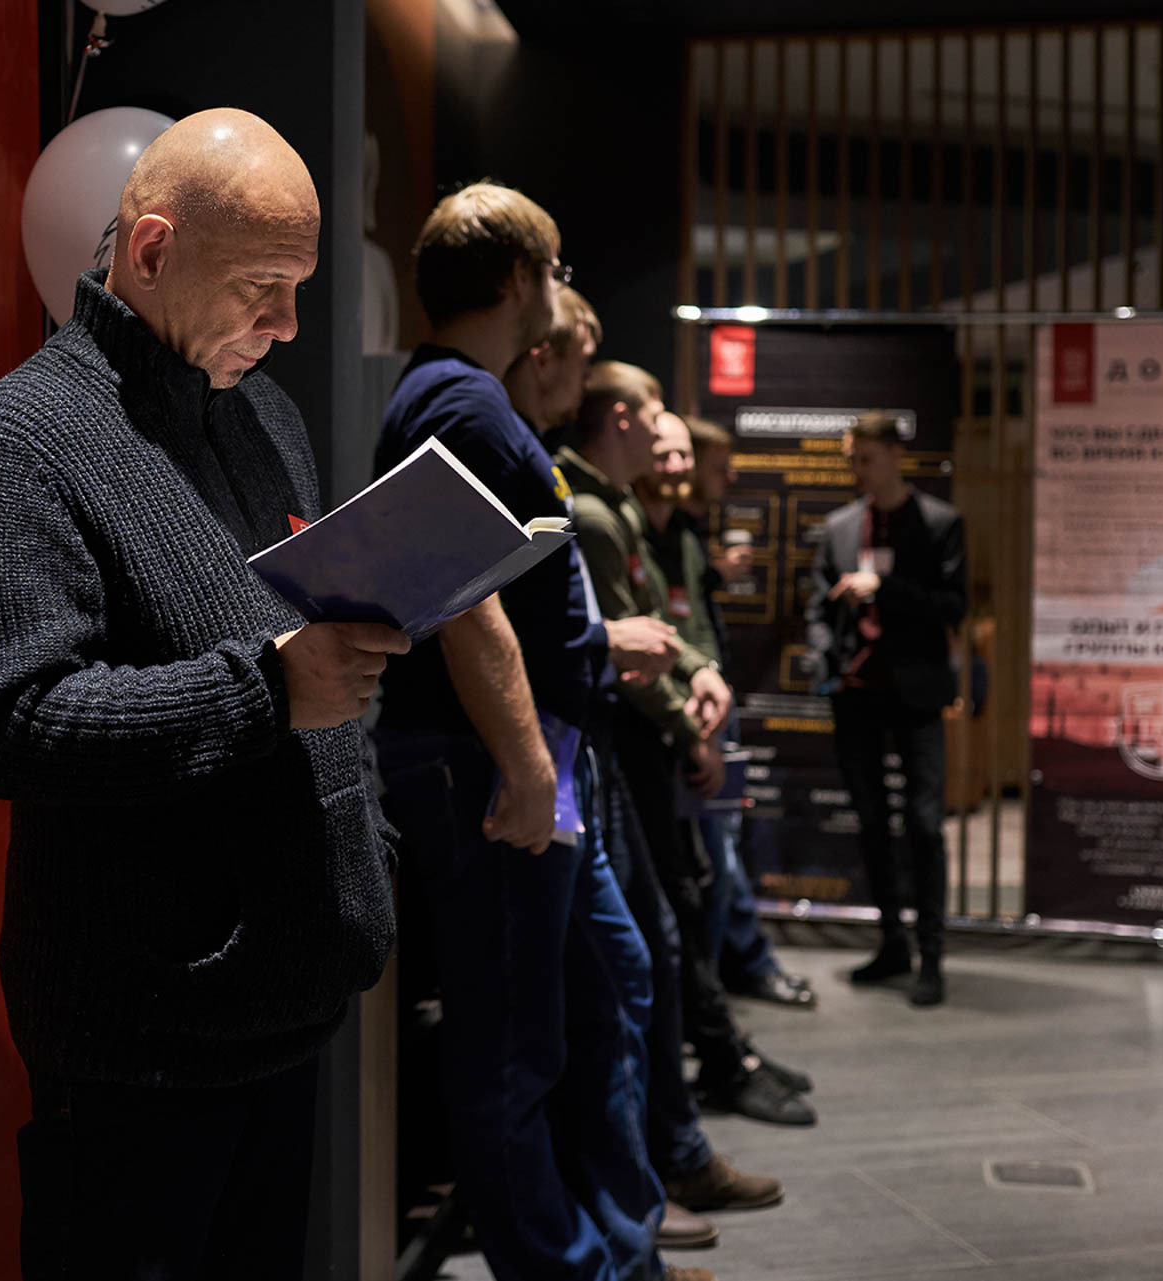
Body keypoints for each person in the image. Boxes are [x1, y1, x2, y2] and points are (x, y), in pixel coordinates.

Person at [0, 109, 411, 1280]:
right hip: (138, 1048)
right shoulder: (22, 439)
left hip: (284, 1009)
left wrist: (364, 839)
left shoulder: (263, 415)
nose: (286, 327)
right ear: (150, 252)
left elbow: (309, 659)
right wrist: (270, 691)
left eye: (297, 290)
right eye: (261, 289)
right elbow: (12, 724)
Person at [372, 182, 710, 1281]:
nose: (563, 292)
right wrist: (525, 765)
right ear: (521, 279)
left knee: (581, 1007)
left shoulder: (464, 400)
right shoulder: (462, 407)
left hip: (520, 756)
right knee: (513, 1050)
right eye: (556, 271)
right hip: (494, 762)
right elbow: (457, 600)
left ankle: (614, 1254)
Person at [504, 294, 787, 1250]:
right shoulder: (579, 498)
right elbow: (565, 634)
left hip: (592, 749)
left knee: (650, 949)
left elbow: (655, 624)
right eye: (658, 414)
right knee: (629, 963)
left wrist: (687, 668)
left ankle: (652, 1173)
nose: (674, 439)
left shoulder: (606, 503)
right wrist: (676, 703)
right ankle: (644, 1181)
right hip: (589, 750)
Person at [559, 364, 817, 1129]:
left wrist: (698, 674)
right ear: (623, 421)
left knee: (693, 892)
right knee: (668, 913)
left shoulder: (631, 515)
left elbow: (669, 629)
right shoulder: (600, 513)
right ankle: (694, 1090)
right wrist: (685, 719)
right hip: (635, 738)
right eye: (660, 435)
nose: (674, 461)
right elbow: (631, 646)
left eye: (682, 450)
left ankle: (712, 1064)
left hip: (665, 730)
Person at [805, 410, 966, 1007]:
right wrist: (826, 657)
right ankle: (893, 942)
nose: (858, 470)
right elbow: (818, 606)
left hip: (917, 693)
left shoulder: (940, 523)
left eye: (866, 459)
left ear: (897, 456)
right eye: (852, 460)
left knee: (924, 824)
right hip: (857, 692)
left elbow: (952, 606)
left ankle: (932, 955)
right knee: (872, 822)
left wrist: (884, 589)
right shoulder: (840, 527)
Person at [672, 415, 815, 1010]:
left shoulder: (684, 533)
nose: (729, 478)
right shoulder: (667, 531)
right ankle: (734, 976)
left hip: (704, 701)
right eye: (719, 466)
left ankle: (725, 978)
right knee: (716, 851)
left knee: (718, 849)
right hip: (693, 710)